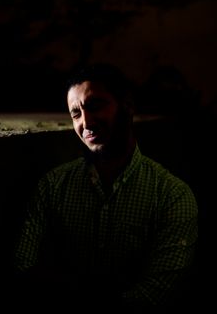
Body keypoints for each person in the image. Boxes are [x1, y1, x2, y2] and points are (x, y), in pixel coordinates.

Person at [12, 63, 198, 312]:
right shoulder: (53, 185)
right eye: (75, 113)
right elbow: (21, 267)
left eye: (95, 106)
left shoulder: (172, 195)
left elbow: (157, 293)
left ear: (128, 106)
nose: (86, 123)